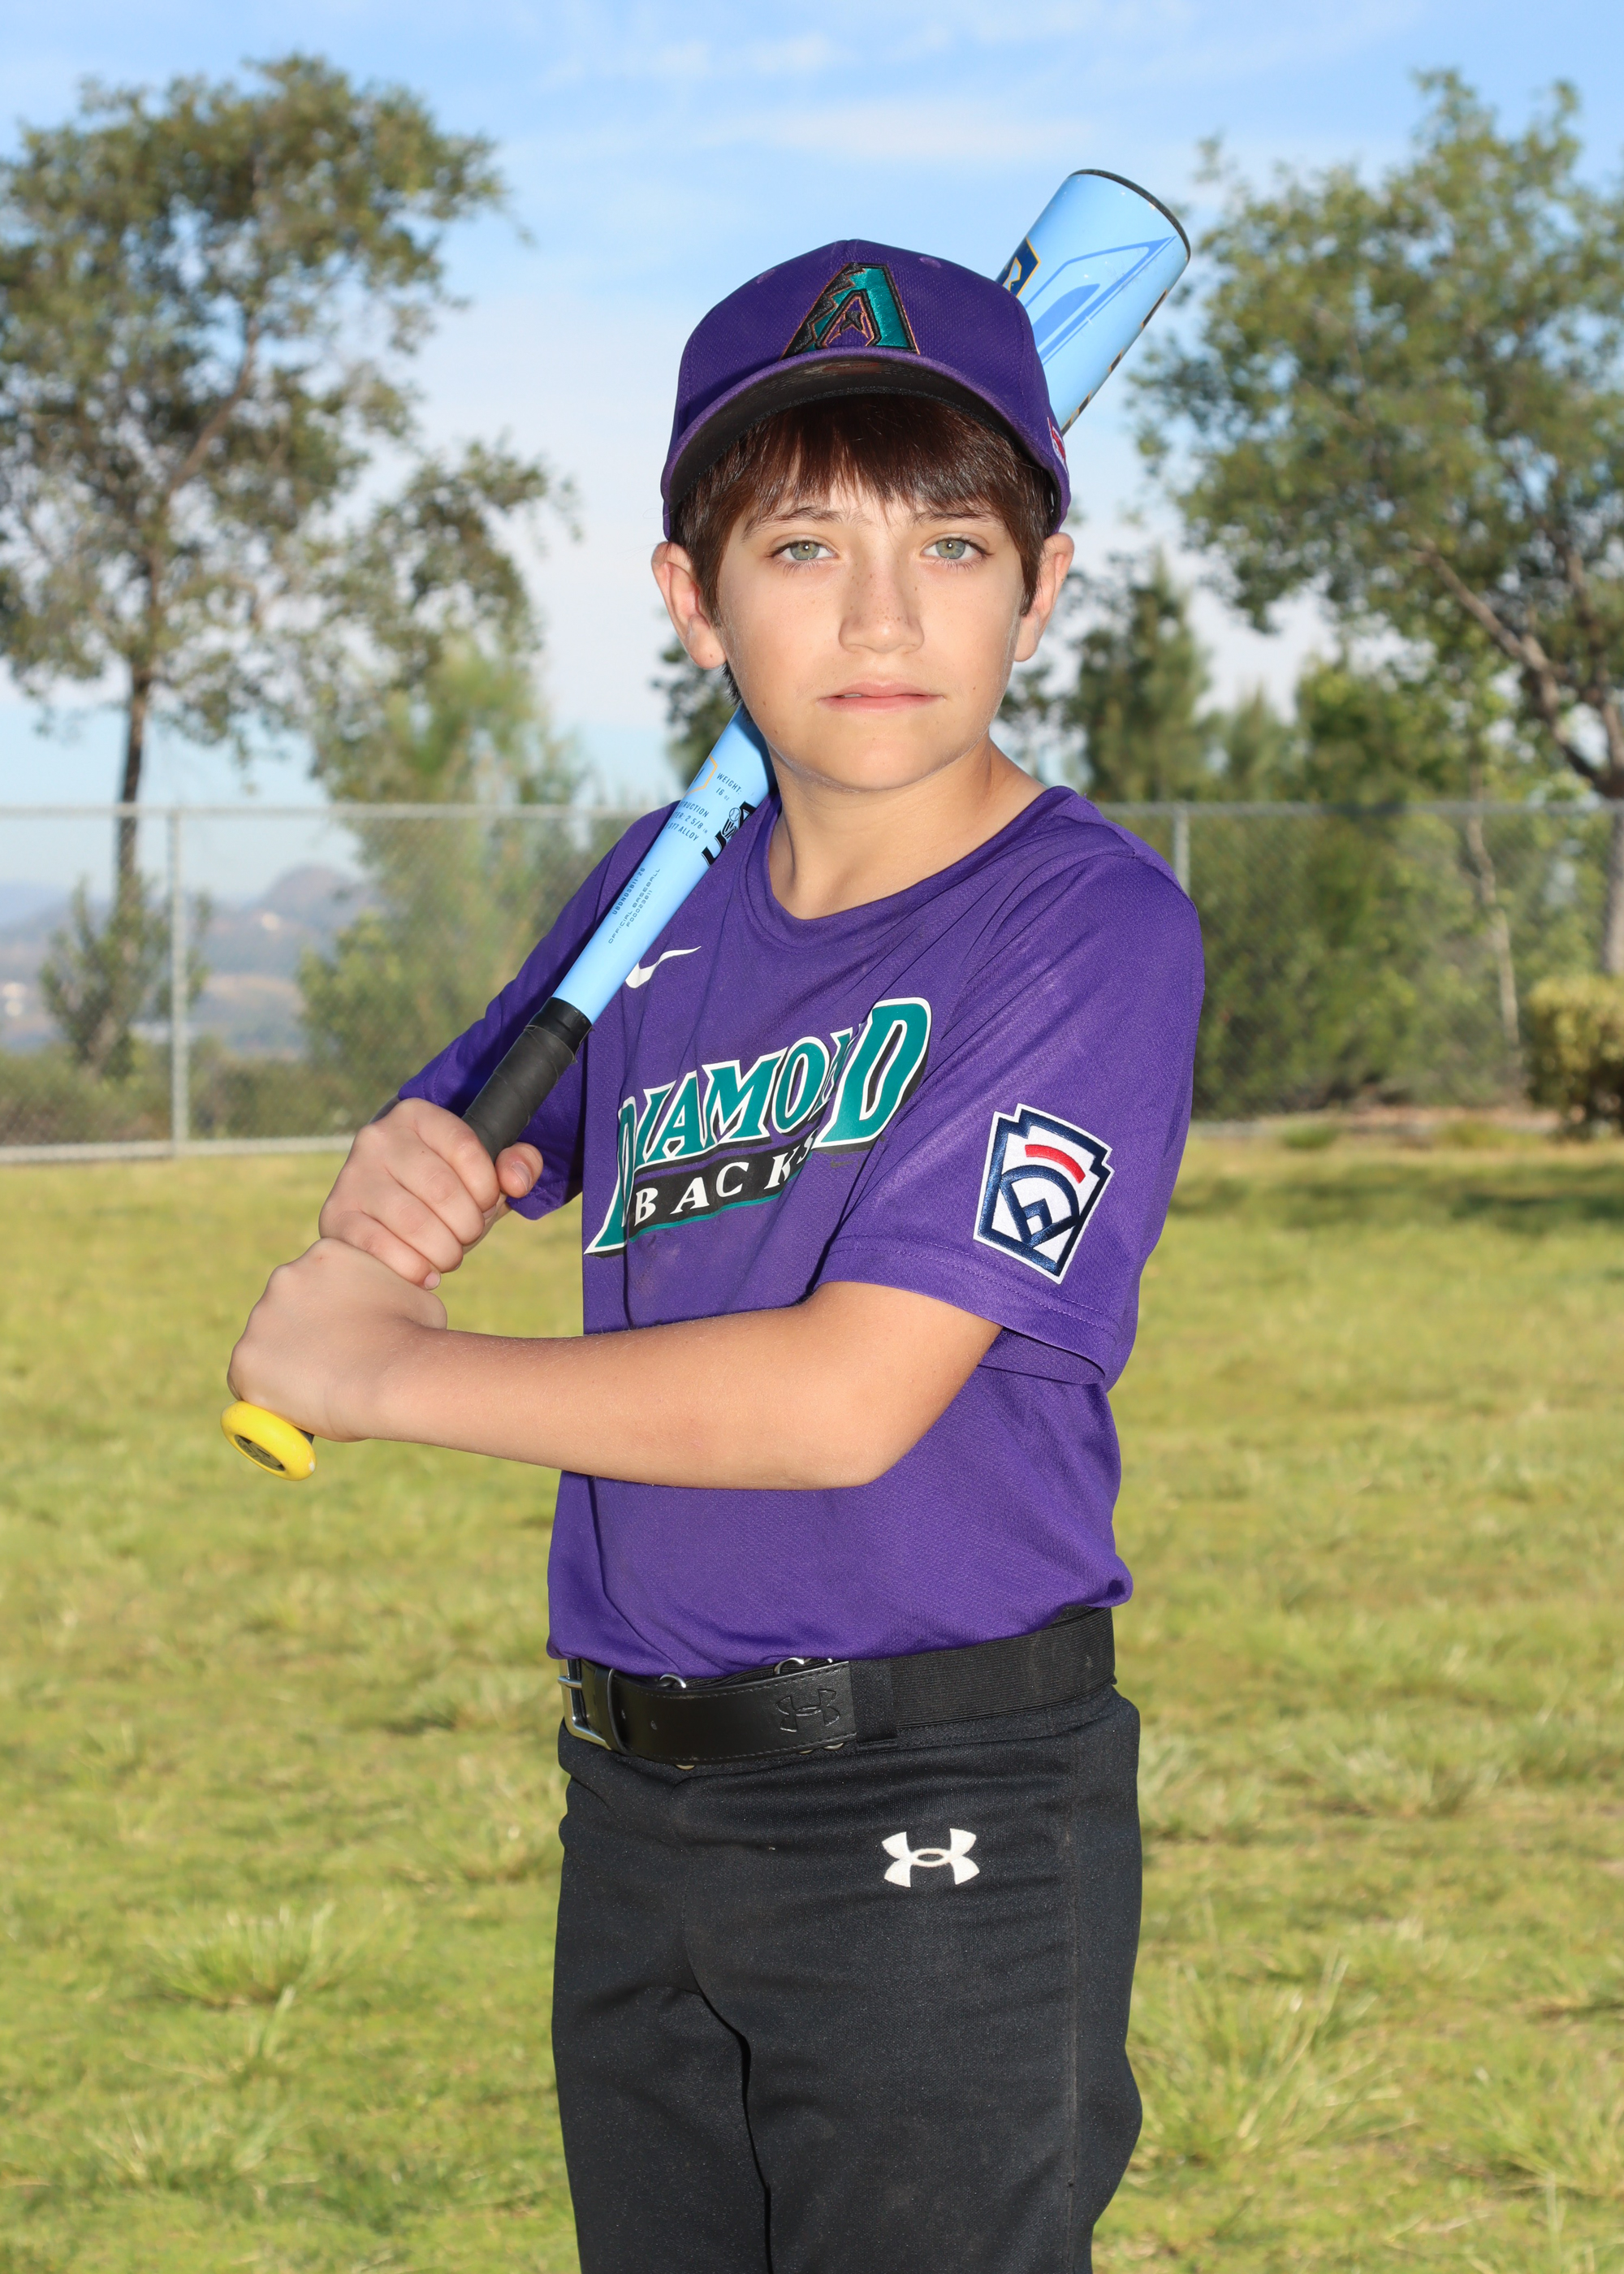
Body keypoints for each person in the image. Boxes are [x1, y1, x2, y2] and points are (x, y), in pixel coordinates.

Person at [229, 238, 1203, 2272]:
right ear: (693, 599)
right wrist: (402, 1185)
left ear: (1043, 588)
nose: (880, 615)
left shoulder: (1083, 925)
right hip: (638, 1802)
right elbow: (456, 1141)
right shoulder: (653, 900)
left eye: (951, 545)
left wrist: (387, 1374)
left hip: (939, 1798)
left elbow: (846, 1396)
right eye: (801, 547)